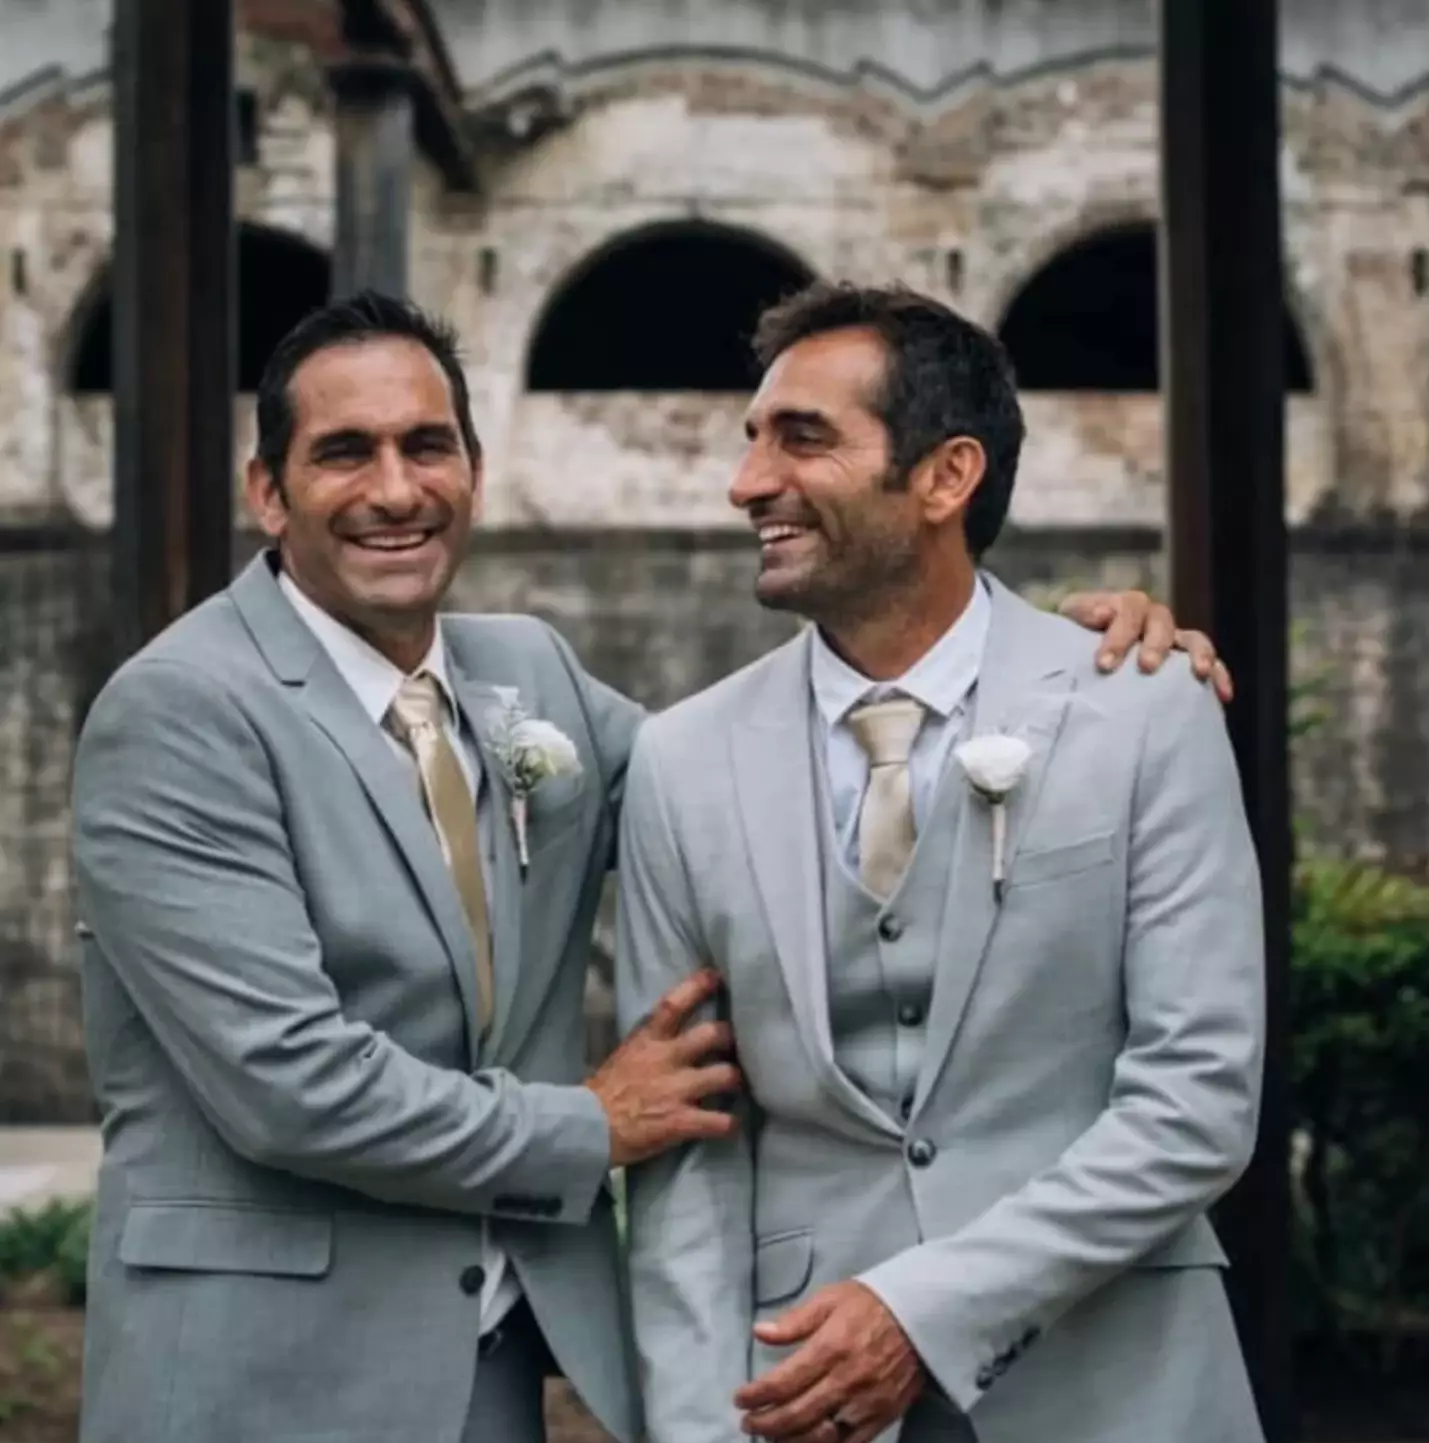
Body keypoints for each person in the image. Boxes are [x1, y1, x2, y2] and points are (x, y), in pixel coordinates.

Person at [70, 291, 1219, 1443]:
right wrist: (592, 1124)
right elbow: (288, 1084)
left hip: (491, 1362)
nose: (395, 490)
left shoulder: (527, 676)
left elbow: (751, 786)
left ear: (474, 467)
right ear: (267, 490)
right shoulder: (179, 712)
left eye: (429, 446)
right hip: (255, 1370)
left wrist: (1059, 668)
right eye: (342, 453)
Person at [615, 283, 1265, 1443]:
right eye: (752, 440)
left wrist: (922, 1313)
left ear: (945, 477)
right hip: (798, 1397)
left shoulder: (1145, 709)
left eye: (801, 438)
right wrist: (697, 1428)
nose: (748, 481)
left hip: (1121, 1380)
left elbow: (1197, 1103)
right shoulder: (679, 759)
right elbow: (688, 1156)